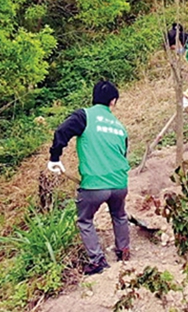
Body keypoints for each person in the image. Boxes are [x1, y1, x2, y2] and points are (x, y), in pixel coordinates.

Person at [47, 81, 130, 275]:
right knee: (119, 215)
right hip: (120, 184)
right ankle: (124, 251)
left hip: (94, 185)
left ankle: (97, 261)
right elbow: (123, 153)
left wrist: (54, 158)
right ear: (113, 101)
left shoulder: (84, 116)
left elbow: (62, 132)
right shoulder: (120, 127)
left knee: (85, 220)